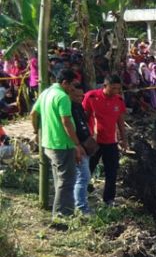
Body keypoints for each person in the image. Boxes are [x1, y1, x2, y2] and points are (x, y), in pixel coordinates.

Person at [30, 69, 85, 220]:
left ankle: (60, 211)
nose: (73, 89)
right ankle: (62, 215)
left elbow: (33, 114)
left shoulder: (46, 93)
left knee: (59, 180)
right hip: (62, 144)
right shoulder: (62, 97)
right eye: (72, 85)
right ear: (64, 83)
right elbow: (66, 122)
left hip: (49, 143)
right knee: (67, 181)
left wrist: (36, 131)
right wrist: (77, 144)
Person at [83, 74, 127, 207]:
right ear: (105, 86)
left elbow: (120, 121)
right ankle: (82, 194)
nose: (116, 91)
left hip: (111, 142)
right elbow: (84, 118)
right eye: (113, 88)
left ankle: (109, 199)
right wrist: (84, 138)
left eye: (118, 89)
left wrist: (124, 139)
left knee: (112, 171)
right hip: (95, 141)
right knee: (88, 168)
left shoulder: (118, 100)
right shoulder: (91, 97)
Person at [69, 84, 98, 215]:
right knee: (83, 177)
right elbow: (69, 128)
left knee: (82, 177)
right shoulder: (68, 107)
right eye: (77, 95)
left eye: (82, 96)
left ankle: (79, 204)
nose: (80, 98)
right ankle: (81, 208)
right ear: (70, 93)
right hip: (78, 146)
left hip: (86, 144)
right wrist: (77, 146)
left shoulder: (79, 106)